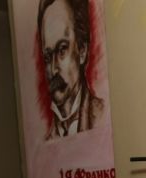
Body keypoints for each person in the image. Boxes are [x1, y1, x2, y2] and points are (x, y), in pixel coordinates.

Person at [37, 0, 103, 140]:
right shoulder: (47, 141)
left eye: (62, 50)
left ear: (82, 50)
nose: (53, 69)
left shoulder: (102, 117)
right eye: (47, 57)